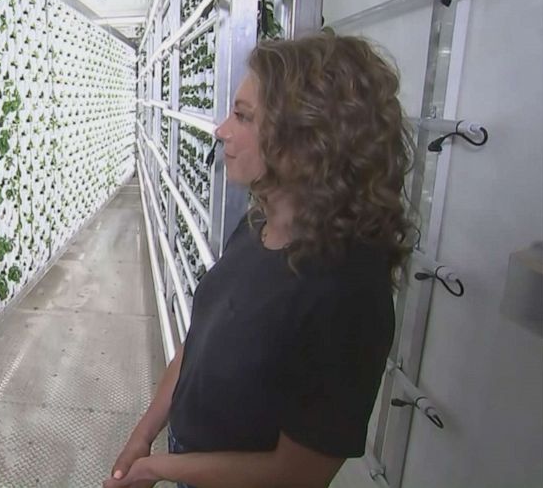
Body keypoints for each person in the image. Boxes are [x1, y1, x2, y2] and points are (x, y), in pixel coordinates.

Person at [107, 34, 413, 488]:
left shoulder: (347, 293)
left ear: (308, 139)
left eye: (243, 116)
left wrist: (157, 468)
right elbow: (200, 340)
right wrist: (146, 432)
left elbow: (297, 474)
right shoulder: (257, 228)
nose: (222, 130)